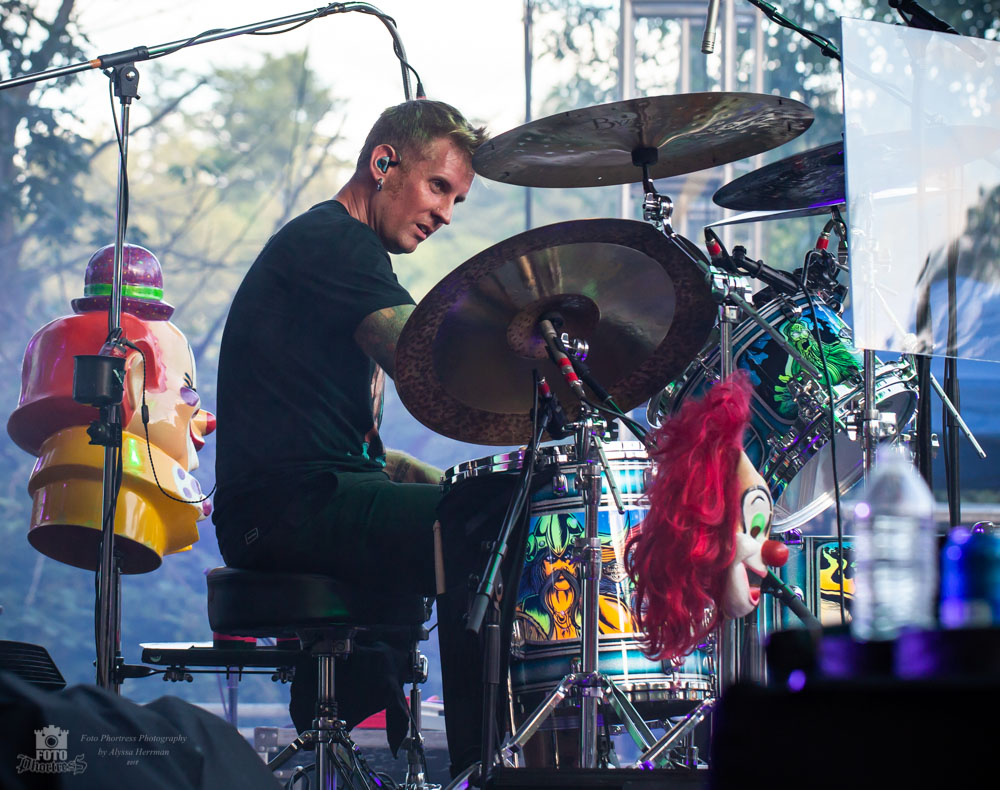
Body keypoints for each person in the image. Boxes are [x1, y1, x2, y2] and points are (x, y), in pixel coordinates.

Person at [212, 100, 494, 775]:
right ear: (383, 163)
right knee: (492, 524)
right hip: (286, 510)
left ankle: (367, 741)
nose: (447, 214)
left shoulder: (334, 251)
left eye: (457, 198)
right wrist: (520, 362)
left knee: (469, 499)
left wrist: (425, 476)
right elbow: (424, 371)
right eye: (438, 187)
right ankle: (490, 763)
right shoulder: (335, 242)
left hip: (299, 496)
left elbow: (324, 435)